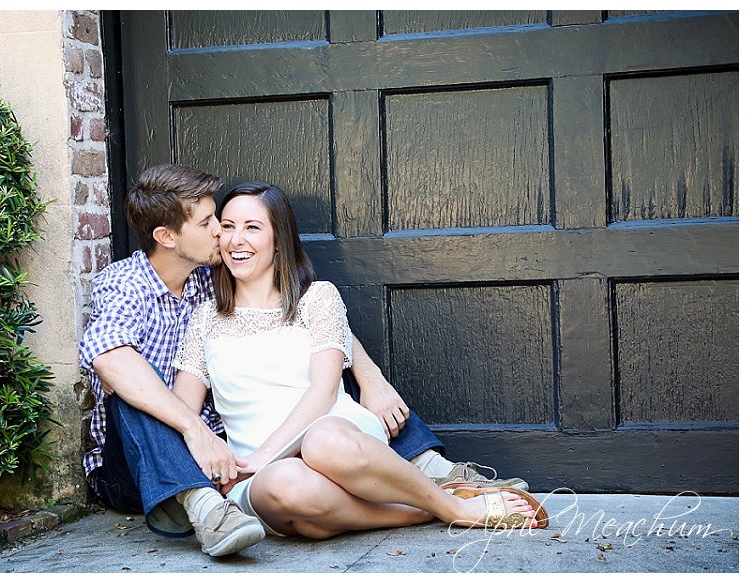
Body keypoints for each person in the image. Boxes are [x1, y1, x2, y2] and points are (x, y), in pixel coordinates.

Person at [78, 164, 527, 557]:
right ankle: (204, 505)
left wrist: (370, 375)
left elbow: (309, 324)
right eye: (212, 222)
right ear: (167, 237)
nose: (223, 232)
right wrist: (196, 432)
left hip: (249, 445)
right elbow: (111, 357)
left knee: (321, 384)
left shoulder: (209, 277)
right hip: (147, 460)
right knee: (136, 389)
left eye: (234, 223)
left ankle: (436, 475)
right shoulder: (128, 284)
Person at [170, 181, 547, 537]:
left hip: (338, 439)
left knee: (323, 441)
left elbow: (323, 390)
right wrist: (234, 463)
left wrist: (262, 456)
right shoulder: (205, 319)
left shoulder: (316, 298)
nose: (237, 240)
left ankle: (454, 509)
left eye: (253, 227)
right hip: (265, 476)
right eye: (229, 226)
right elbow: (184, 411)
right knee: (290, 489)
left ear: (278, 240)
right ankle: (428, 508)